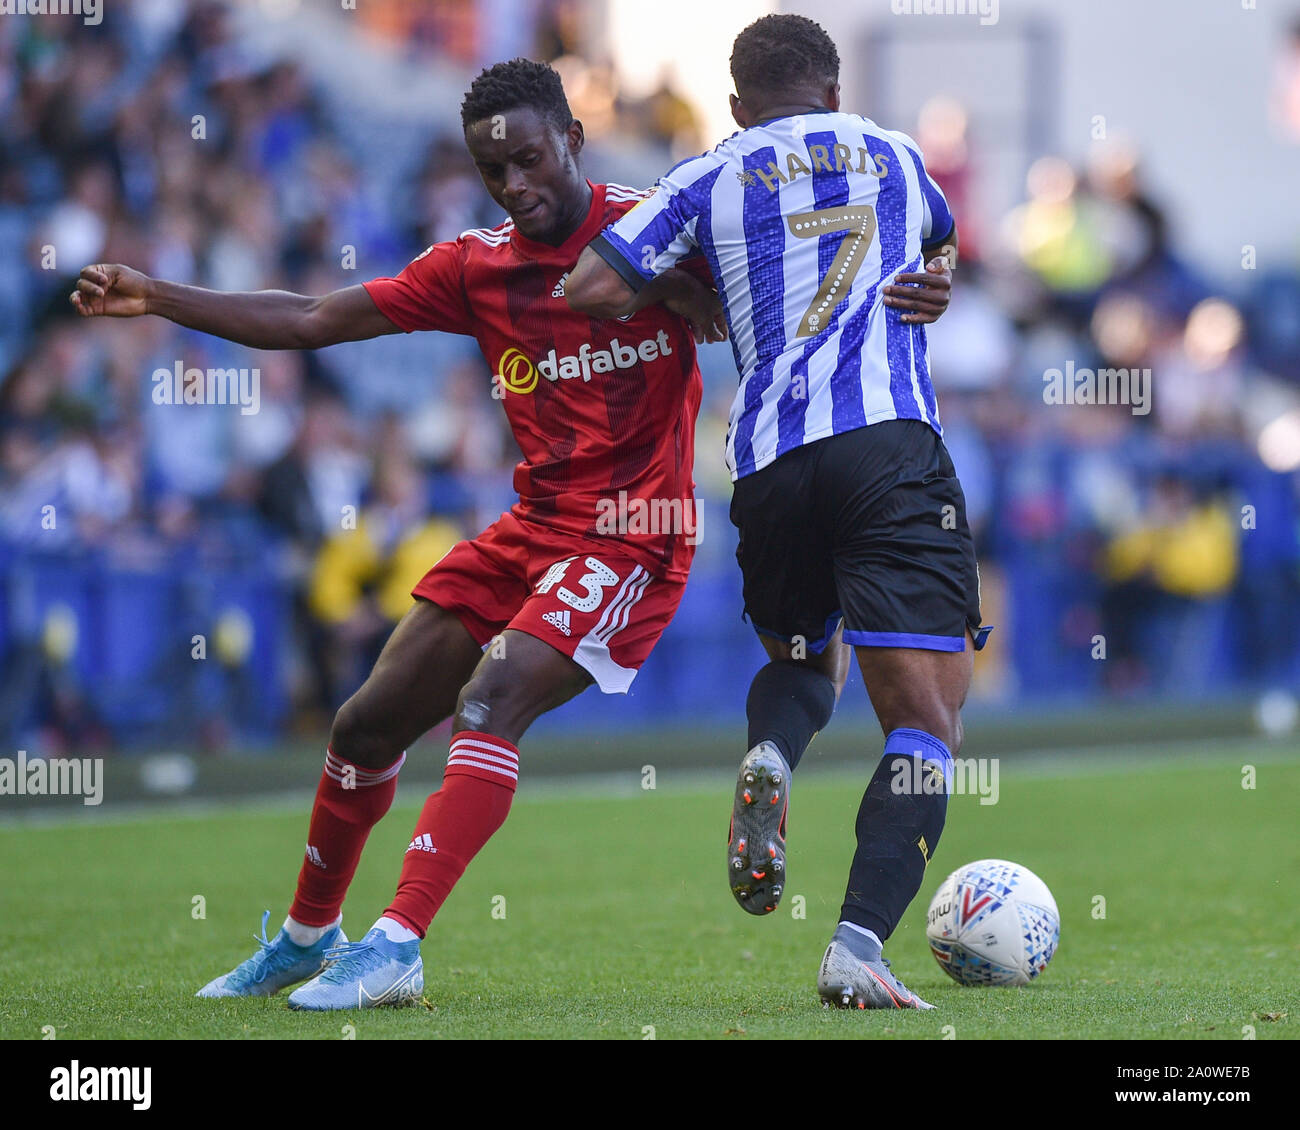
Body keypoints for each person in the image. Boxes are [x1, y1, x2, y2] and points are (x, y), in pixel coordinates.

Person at [71, 59, 724, 1011]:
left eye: (532, 160)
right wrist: (161, 295)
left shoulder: (659, 232)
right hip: (532, 528)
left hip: (633, 536)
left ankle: (398, 943)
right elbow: (310, 318)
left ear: (574, 140)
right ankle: (306, 938)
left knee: (491, 697)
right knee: (363, 725)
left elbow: (790, 287)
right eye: (493, 171)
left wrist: (920, 272)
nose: (516, 185)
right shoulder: (477, 266)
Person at [567, 13, 982, 1011]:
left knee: (801, 659)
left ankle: (768, 754)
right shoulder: (892, 149)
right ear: (833, 93)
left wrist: (675, 291)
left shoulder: (710, 171)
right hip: (887, 442)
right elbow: (943, 240)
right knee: (927, 716)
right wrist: (937, 282)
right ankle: (855, 945)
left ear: (739, 105)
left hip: (767, 462)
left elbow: (587, 286)